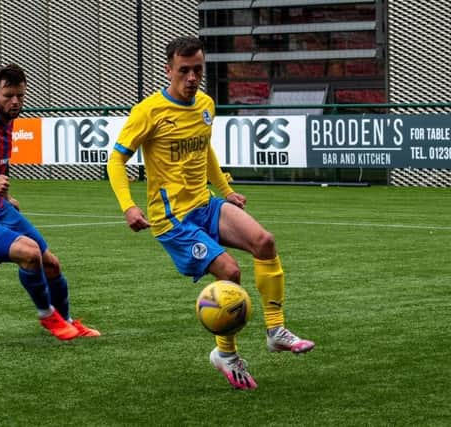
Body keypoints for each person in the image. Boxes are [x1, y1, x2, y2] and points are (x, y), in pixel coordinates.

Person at [107, 36, 314, 390]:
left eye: (197, 70)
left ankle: (275, 329)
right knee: (230, 273)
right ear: (168, 69)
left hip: (206, 204)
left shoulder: (205, 104)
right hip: (172, 220)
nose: (192, 77)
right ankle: (227, 355)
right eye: (184, 70)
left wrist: (227, 190)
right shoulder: (148, 112)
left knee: (265, 242)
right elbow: (116, 159)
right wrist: (128, 205)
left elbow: (206, 152)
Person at [0, 64, 100, 341]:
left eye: (20, 96)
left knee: (52, 264)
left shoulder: (8, 119)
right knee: (30, 252)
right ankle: (47, 316)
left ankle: (67, 321)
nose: (15, 102)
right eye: (8, 95)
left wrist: (3, 196)